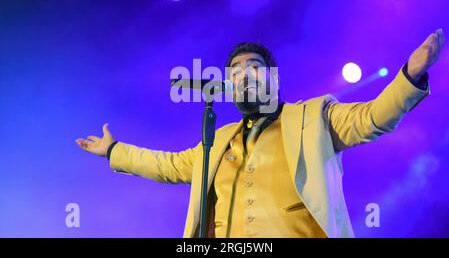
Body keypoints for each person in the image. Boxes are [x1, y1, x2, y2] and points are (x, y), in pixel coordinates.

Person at [76, 29, 445, 238]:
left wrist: (409, 78)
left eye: (253, 67)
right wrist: (115, 151)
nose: (243, 74)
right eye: (234, 71)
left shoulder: (313, 117)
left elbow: (371, 118)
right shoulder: (217, 140)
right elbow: (170, 165)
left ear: (274, 78)